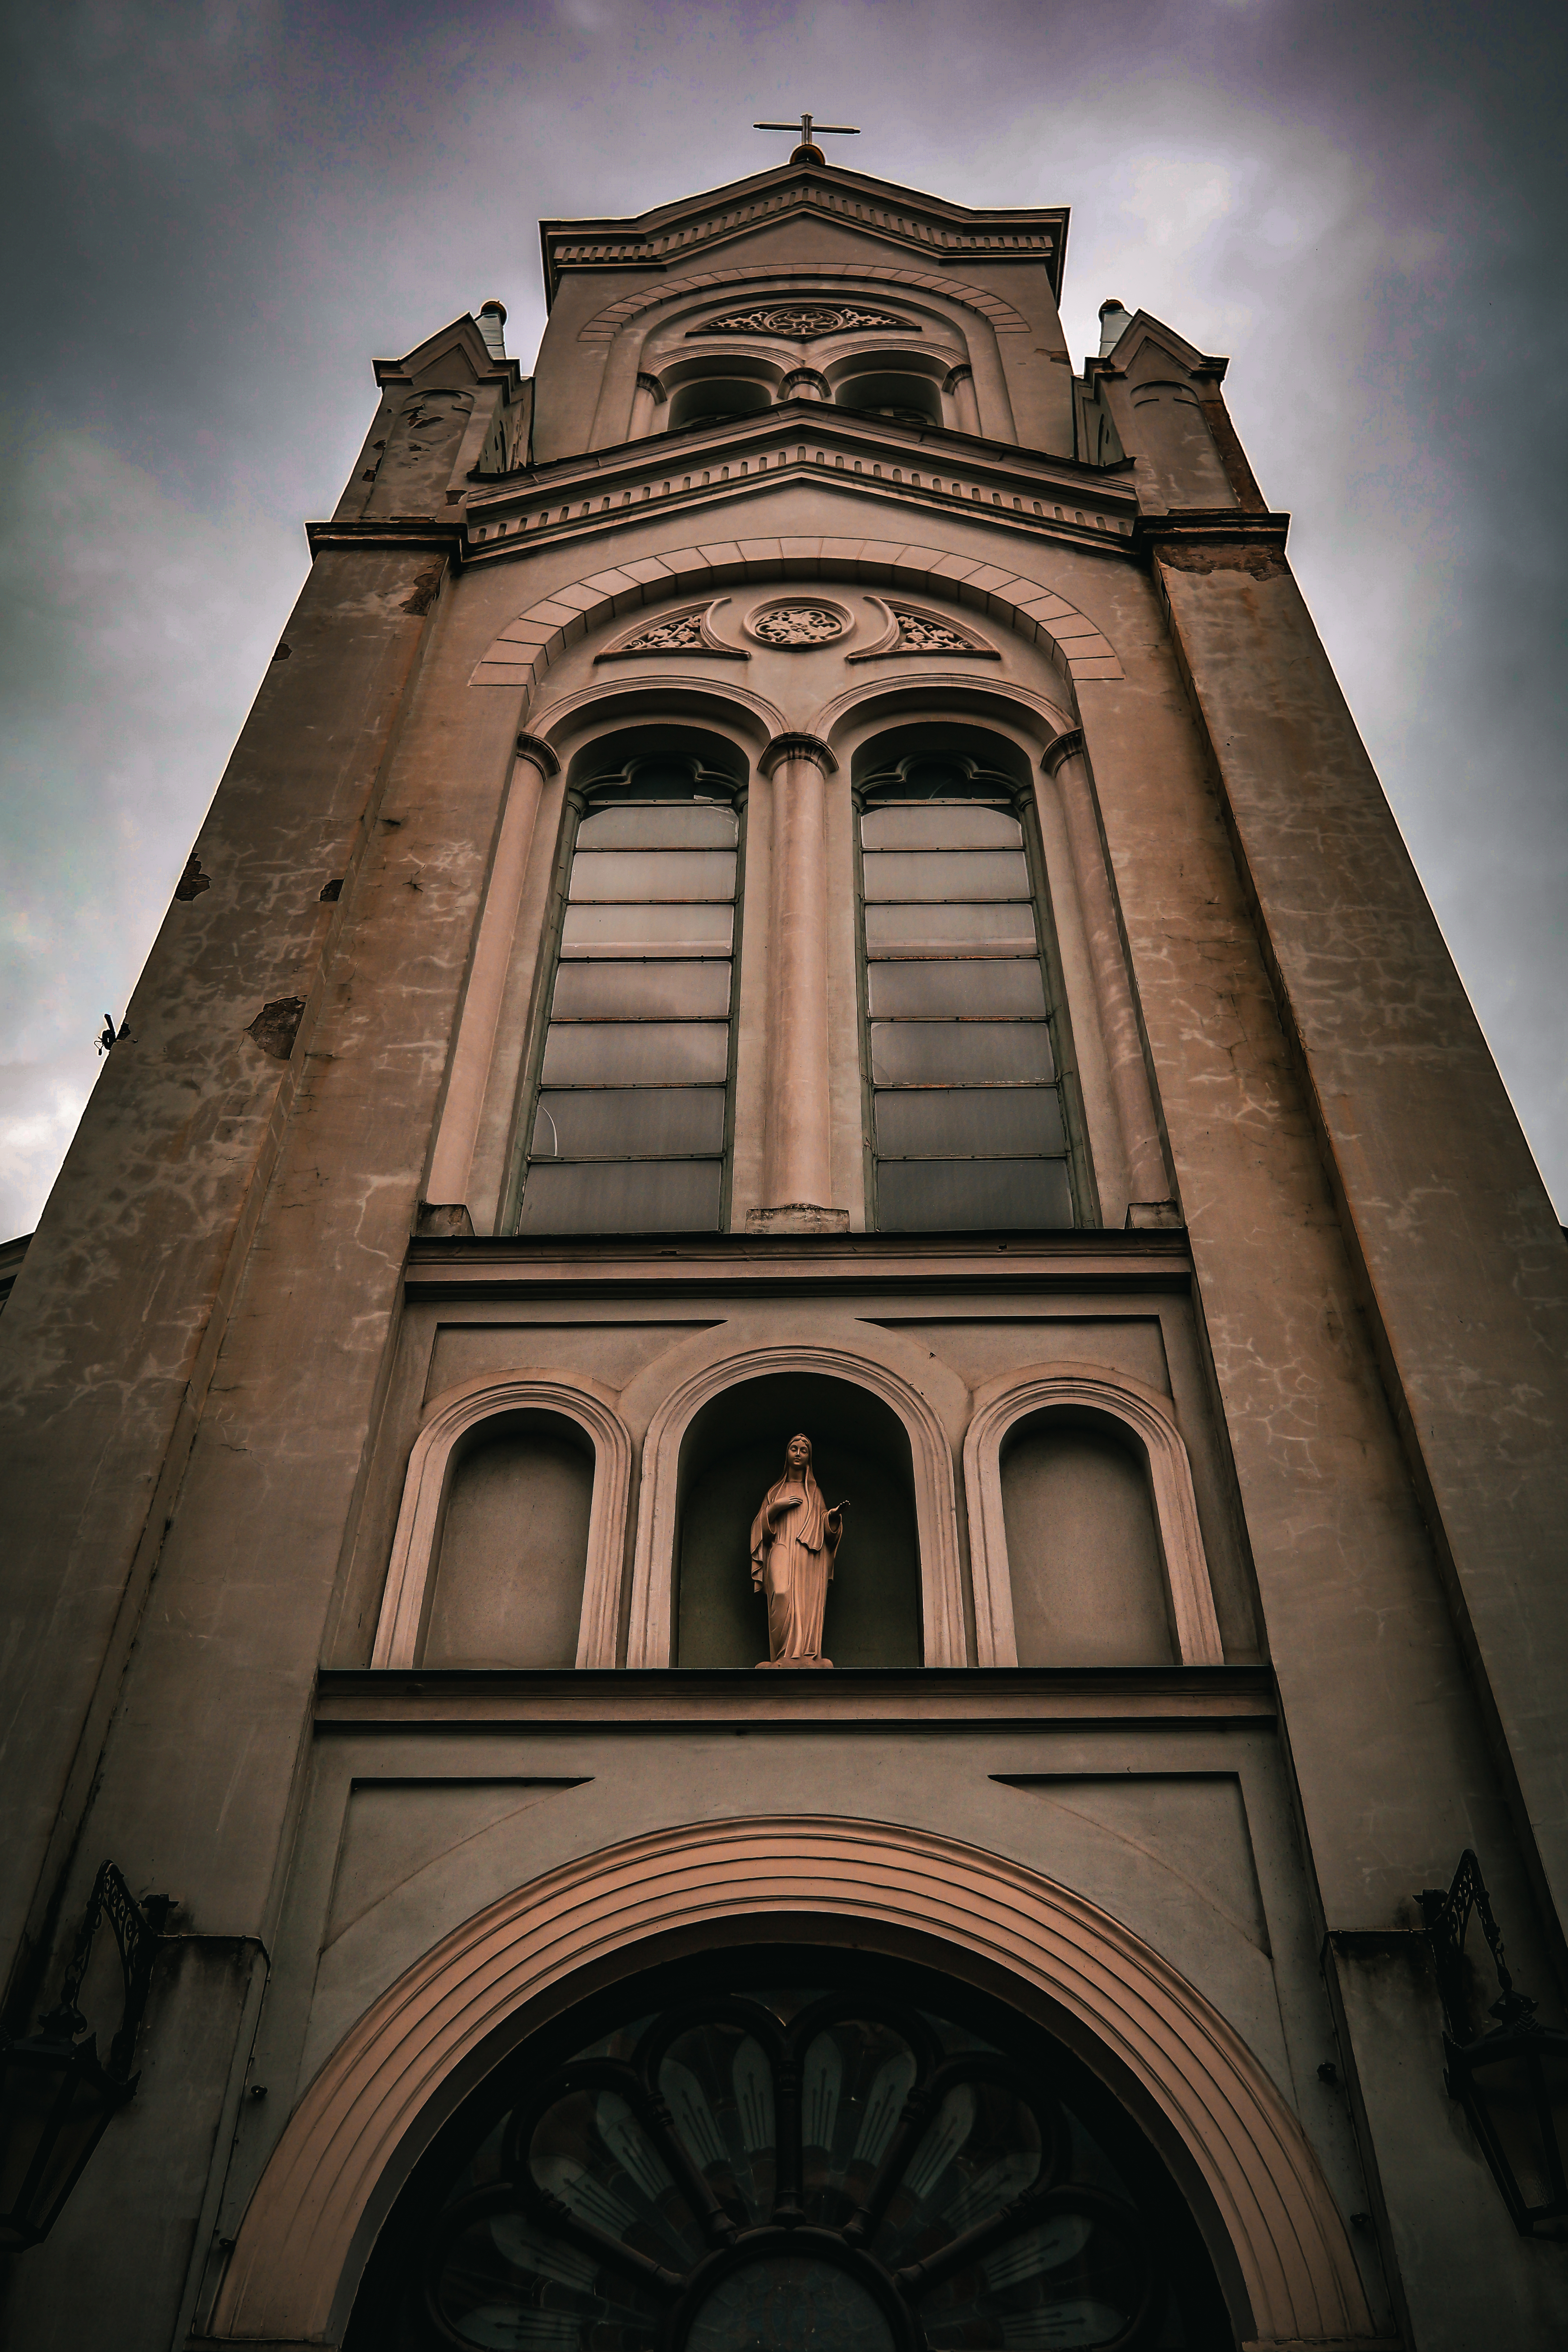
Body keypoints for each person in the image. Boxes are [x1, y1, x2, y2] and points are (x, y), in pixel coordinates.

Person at [749, 1433, 845, 1668]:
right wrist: (775, 1508)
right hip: (781, 1548)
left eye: (804, 1450)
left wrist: (832, 1519)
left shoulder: (814, 1493)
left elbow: (825, 1530)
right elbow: (758, 1529)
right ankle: (782, 1656)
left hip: (809, 1556)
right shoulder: (774, 1492)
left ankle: (806, 1656)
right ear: (787, 1454)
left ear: (809, 1458)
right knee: (781, 1594)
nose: (799, 1454)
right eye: (794, 1449)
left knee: (806, 1604)